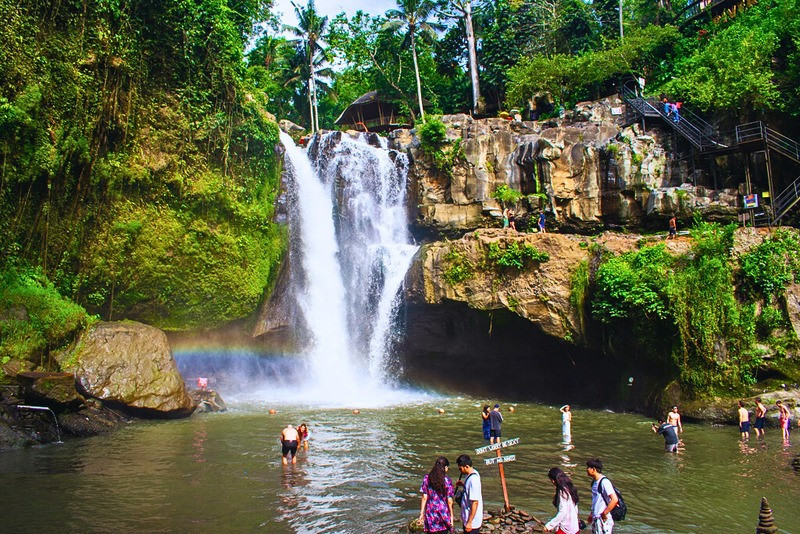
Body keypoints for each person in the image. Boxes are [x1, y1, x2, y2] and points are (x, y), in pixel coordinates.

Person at [419, 456, 455, 534]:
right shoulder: (447, 480)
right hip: (443, 512)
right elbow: (450, 501)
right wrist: (451, 517)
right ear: (445, 467)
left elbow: (424, 497)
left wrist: (421, 513)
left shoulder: (427, 478)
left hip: (431, 511)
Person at [544, 467, 580, 534]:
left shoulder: (562, 492)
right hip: (574, 527)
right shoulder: (570, 489)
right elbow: (575, 508)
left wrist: (550, 525)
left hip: (565, 528)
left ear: (553, 480)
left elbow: (562, 512)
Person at [586, 458, 617, 534]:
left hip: (603, 519)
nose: (587, 470)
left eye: (588, 468)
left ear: (593, 469)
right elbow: (596, 500)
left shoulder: (604, 482)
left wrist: (604, 513)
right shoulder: (594, 482)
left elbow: (614, 499)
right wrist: (592, 513)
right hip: (596, 518)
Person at [455, 454, 483, 533]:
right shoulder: (471, 474)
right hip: (467, 518)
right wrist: (463, 485)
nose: (460, 471)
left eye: (460, 468)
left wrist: (469, 523)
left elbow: (475, 503)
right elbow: (471, 490)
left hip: (472, 522)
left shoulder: (473, 480)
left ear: (466, 466)